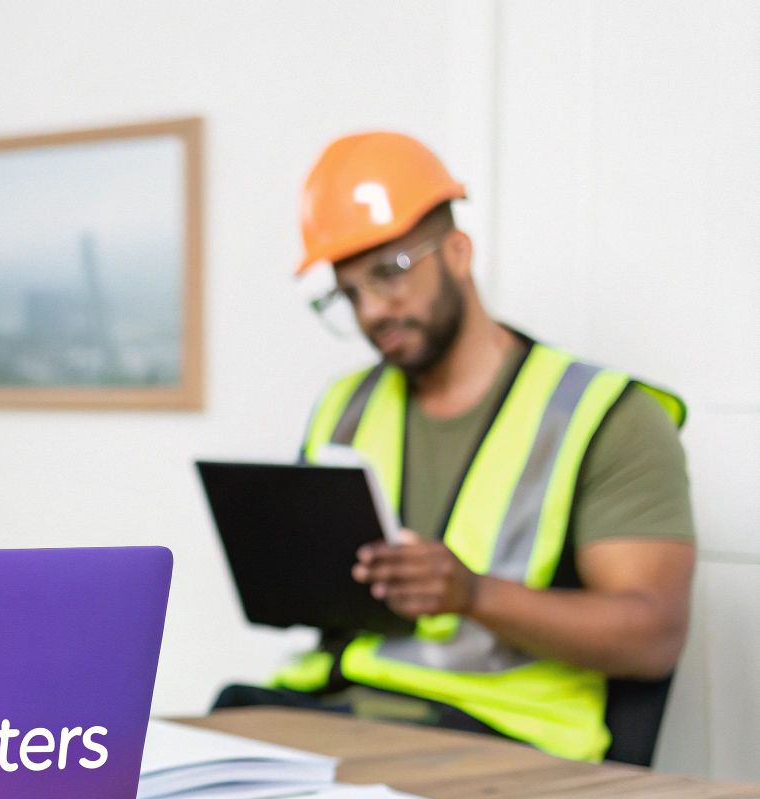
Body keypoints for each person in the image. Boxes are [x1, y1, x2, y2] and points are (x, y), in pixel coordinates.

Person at [214, 132, 695, 763]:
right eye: (349, 293)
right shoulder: (345, 406)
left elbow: (653, 637)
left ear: (458, 252)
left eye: (389, 273)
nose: (372, 311)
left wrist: (473, 594)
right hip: (341, 712)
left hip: (503, 738)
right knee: (150, 769)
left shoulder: (606, 416)